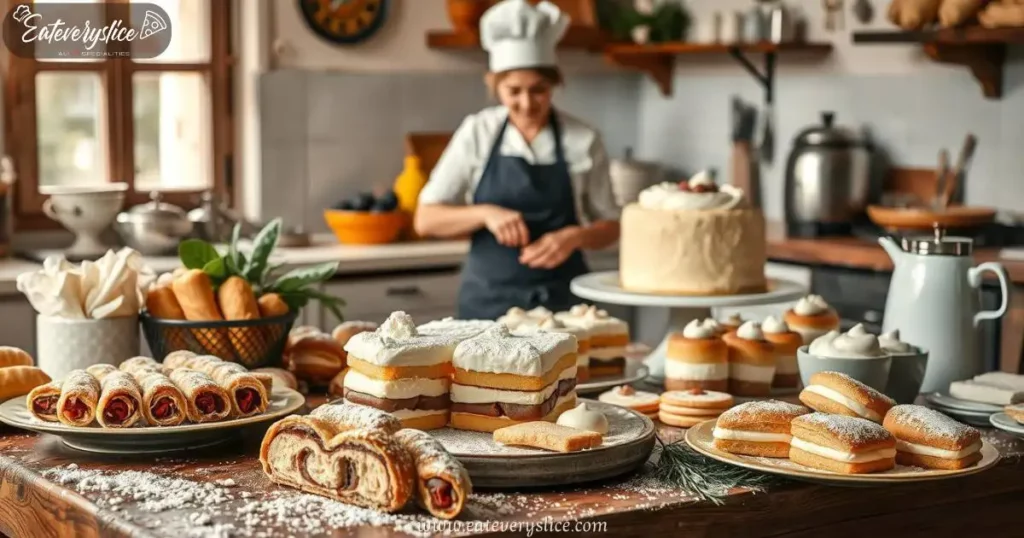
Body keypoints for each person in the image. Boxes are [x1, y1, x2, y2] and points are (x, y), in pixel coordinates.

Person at [414, 0, 621, 320]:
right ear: (495, 86)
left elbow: (611, 226)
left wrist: (575, 237)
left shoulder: (583, 139)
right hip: (488, 303)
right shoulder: (477, 132)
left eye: (538, 90)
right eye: (514, 91)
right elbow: (426, 219)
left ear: (554, 84)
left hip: (562, 305)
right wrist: (485, 214)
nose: (526, 103)